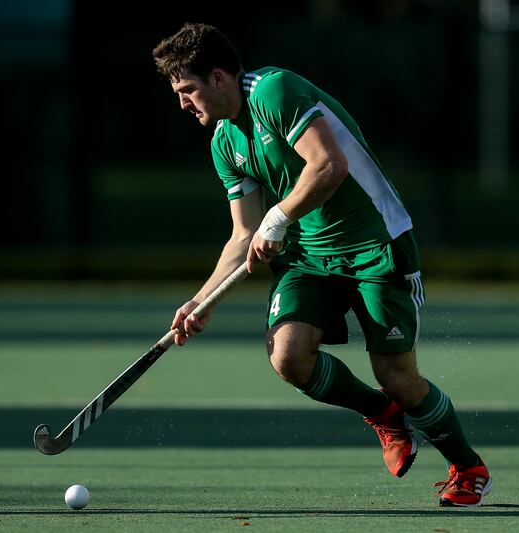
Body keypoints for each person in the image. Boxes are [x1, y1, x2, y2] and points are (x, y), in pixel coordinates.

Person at [152, 22, 492, 507]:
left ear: (220, 77)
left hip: (376, 244)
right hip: (309, 255)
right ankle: (383, 413)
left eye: (188, 89)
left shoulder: (274, 90)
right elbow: (243, 234)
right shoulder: (224, 143)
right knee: (288, 357)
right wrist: (202, 300)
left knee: (398, 374)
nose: (183, 103)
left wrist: (280, 214)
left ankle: (467, 466)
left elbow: (329, 165)